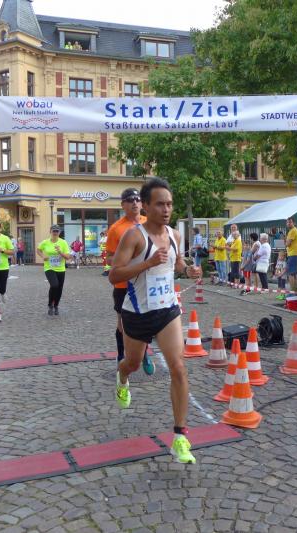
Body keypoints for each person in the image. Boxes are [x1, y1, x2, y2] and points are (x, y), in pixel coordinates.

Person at [108, 178, 203, 464]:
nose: (166, 209)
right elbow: (114, 274)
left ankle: (180, 437)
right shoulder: (133, 237)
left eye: (169, 204)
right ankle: (122, 377)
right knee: (133, 363)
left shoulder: (175, 235)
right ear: (146, 206)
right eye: (160, 204)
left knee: (178, 367)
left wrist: (188, 269)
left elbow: (176, 262)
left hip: (167, 311)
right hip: (137, 313)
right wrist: (147, 263)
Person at [105, 187, 153, 374]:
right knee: (123, 323)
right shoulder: (116, 228)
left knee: (146, 320)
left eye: (137, 199)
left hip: (145, 282)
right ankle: (121, 355)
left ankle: (143, 353)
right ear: (122, 205)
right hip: (123, 284)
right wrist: (125, 261)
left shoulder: (150, 222)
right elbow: (109, 258)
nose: (135, 202)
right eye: (130, 200)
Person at [37, 225, 71, 316]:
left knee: (59, 288)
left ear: (59, 232)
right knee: (54, 285)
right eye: (53, 231)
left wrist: (60, 252)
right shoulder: (45, 242)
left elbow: (68, 257)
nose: (55, 233)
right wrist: (43, 256)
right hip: (49, 268)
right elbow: (38, 250)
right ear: (50, 232)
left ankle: (56, 306)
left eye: (57, 231)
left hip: (61, 269)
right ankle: (50, 304)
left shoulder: (63, 243)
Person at [285, 217, 297, 291]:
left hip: (293, 254)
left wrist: (285, 242)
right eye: (287, 222)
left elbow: (288, 244)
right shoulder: (293, 230)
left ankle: (292, 291)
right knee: (294, 273)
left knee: (290, 273)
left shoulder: (292, 231)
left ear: (294, 223)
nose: (288, 223)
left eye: (290, 222)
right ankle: (296, 290)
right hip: (295, 253)